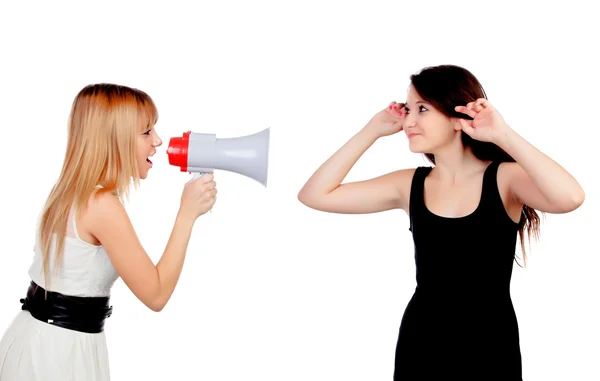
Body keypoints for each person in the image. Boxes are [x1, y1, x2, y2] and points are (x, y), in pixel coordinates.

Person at [297, 65, 585, 380]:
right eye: (407, 110)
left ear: (457, 117)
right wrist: (371, 130)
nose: (408, 120)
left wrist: (503, 134)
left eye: (422, 109)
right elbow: (315, 195)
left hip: (490, 349)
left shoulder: (505, 178)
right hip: (420, 346)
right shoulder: (408, 185)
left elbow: (570, 197)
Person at [0, 84, 217, 381]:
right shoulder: (101, 205)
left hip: (43, 337)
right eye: (146, 132)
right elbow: (156, 294)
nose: (158, 140)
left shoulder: (69, 191)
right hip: (60, 350)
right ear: (114, 140)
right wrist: (186, 215)